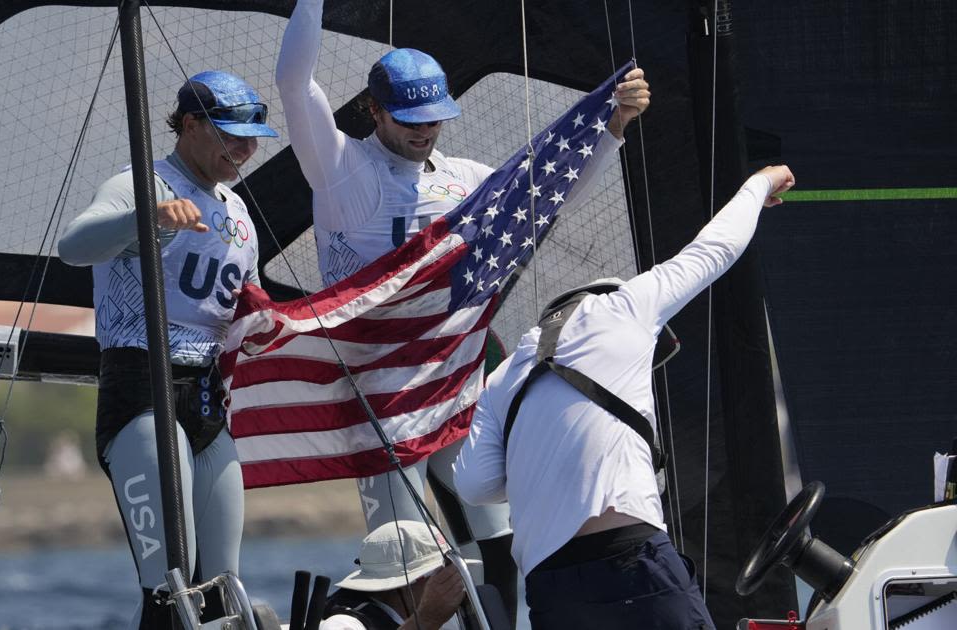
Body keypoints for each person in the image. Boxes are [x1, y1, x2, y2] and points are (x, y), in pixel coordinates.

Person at [275, 0, 652, 616]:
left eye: (434, 119)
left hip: (450, 379)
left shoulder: (465, 179)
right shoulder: (341, 167)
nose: (424, 131)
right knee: (404, 558)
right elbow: (294, 80)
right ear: (373, 111)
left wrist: (611, 128)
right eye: (408, 120)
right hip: (377, 391)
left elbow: (551, 197)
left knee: (497, 534)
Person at [453, 165, 797, 629]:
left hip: (552, 587)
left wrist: (542, 466)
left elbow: (474, 487)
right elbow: (715, 249)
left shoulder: (501, 380)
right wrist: (759, 185)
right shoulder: (624, 306)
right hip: (632, 562)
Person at [57, 70, 278, 629]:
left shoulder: (237, 212)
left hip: (207, 402)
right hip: (142, 392)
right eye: (232, 135)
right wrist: (148, 219)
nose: (247, 150)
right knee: (170, 588)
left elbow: (239, 301)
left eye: (254, 137)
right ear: (189, 125)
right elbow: (73, 247)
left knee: (224, 589)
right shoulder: (142, 182)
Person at [321, 521, 467, 630]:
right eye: (442, 570)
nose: (453, 576)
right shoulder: (342, 624)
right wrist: (426, 619)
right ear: (406, 583)